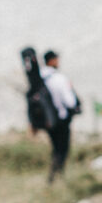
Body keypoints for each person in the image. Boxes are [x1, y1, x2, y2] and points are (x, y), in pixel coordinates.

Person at [41, 50, 80, 183]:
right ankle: (57, 177)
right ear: (52, 60)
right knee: (62, 149)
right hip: (61, 119)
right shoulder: (59, 78)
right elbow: (70, 101)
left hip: (47, 120)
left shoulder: (39, 78)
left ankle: (53, 177)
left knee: (55, 148)